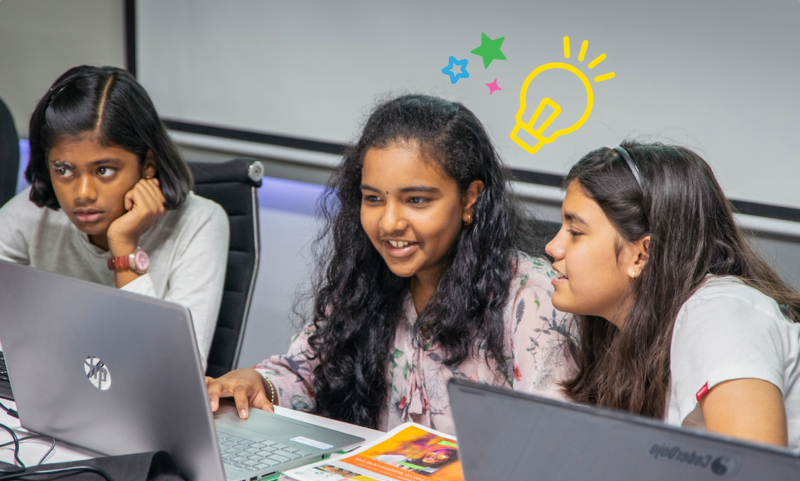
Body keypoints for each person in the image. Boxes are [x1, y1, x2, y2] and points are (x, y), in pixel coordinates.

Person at [206, 94, 573, 434]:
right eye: (373, 198)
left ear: (469, 199)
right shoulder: (367, 279)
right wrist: (259, 385)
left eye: (416, 200)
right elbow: (304, 374)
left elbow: (548, 440)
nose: (389, 223)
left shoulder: (533, 299)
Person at [545, 141, 800, 447]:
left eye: (575, 232)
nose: (552, 247)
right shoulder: (630, 339)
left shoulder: (721, 315)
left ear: (641, 255)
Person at [0, 65, 228, 368]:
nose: (82, 193)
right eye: (63, 170)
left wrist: (124, 247)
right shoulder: (32, 214)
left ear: (147, 164)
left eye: (103, 170)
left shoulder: (200, 223)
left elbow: (171, 372)